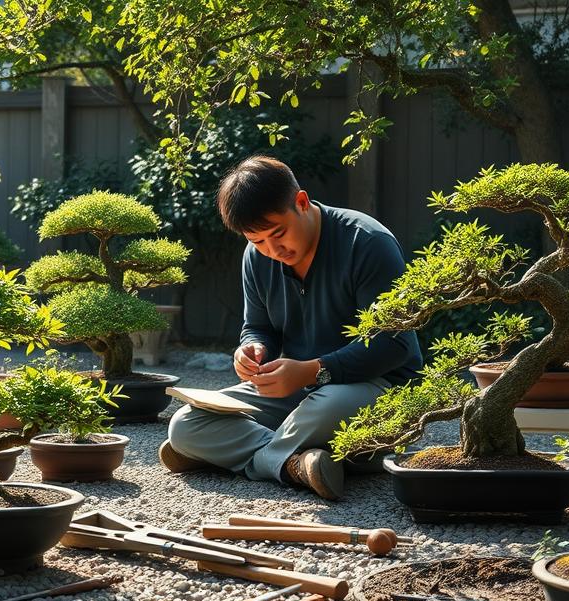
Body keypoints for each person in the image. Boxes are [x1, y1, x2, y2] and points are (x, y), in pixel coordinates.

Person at [159, 156, 423, 500]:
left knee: (325, 408)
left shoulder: (367, 242)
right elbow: (257, 326)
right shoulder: (256, 258)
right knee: (185, 424)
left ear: (301, 202)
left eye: (277, 234)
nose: (272, 250)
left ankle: (244, 458)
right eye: (257, 241)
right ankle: (298, 464)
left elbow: (394, 344)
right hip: (299, 391)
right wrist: (252, 349)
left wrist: (313, 371)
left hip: (381, 390)